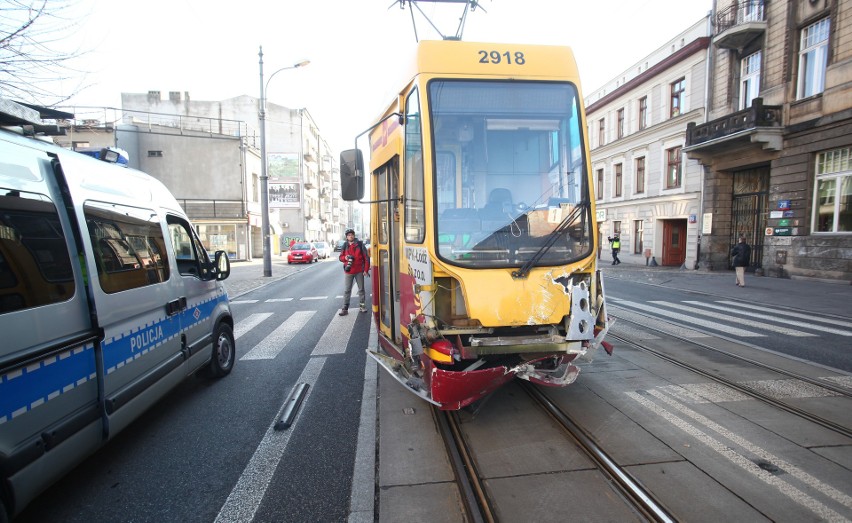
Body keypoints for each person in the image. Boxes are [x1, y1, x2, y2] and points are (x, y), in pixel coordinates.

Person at [338, 229, 370, 315]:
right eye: (348, 235)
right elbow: (340, 257)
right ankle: (345, 308)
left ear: (354, 235)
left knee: (361, 289)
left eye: (351, 235)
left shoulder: (360, 244)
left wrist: (366, 270)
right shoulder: (345, 245)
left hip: (359, 271)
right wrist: (345, 258)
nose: (350, 236)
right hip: (349, 271)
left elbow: (366, 258)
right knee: (347, 290)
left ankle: (362, 306)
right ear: (347, 237)